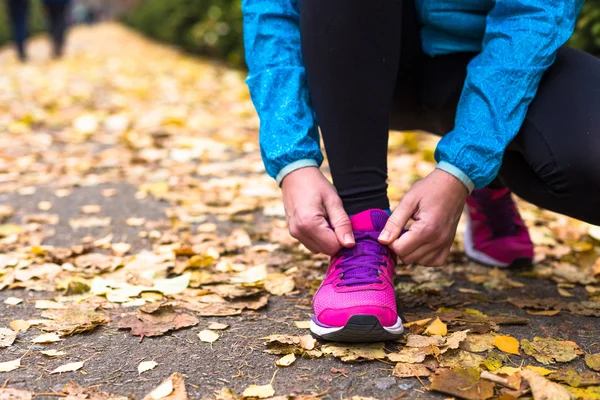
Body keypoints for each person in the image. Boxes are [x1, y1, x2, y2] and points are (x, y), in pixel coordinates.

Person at [243, 0, 600, 342]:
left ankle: (489, 182)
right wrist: (292, 162)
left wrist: (463, 169)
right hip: (360, 57)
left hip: (492, 56)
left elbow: (535, 10)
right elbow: (272, 7)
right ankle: (362, 224)